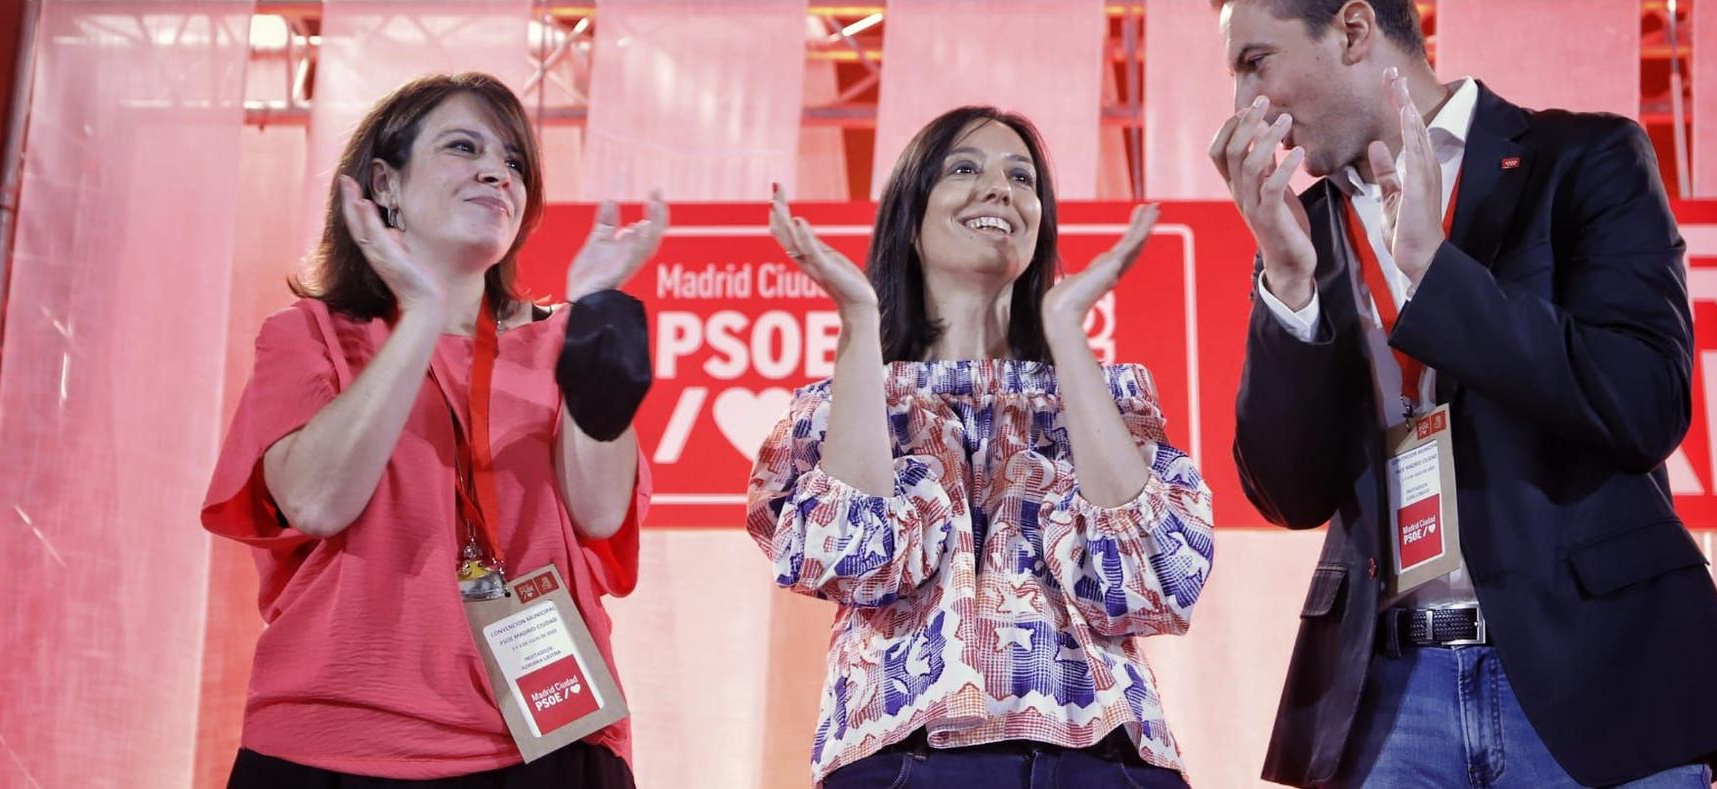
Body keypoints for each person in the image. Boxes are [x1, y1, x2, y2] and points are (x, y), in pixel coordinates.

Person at [1210, 0, 1717, 787]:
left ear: (1355, 31)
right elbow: (1287, 494)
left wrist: (1435, 277)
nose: (1245, 107)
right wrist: (1288, 282)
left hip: (1595, 680)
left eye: (1256, 62)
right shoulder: (1306, 229)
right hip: (1388, 695)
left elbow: (1643, 403)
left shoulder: (1584, 157)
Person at [202, 71, 667, 787]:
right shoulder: (312, 336)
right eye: (463, 146)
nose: (496, 170)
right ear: (384, 183)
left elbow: (600, 510)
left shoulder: (559, 343)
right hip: (335, 738)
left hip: (546, 742)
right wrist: (421, 315)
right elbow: (317, 501)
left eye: (513, 161)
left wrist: (596, 313)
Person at [748, 105, 1213, 787]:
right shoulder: (843, 402)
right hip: (905, 761)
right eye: (965, 168)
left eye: (1020, 177)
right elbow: (852, 557)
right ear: (911, 214)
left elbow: (1154, 581)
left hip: (1106, 762)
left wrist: (1065, 329)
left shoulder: (1105, 394)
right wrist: (858, 318)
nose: (999, 188)